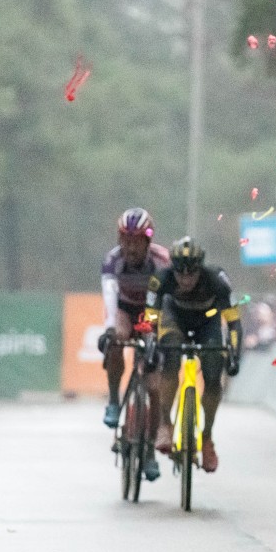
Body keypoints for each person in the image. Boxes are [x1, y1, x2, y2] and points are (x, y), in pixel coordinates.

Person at [144, 237, 242, 474]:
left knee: (212, 373)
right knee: (170, 359)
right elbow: (151, 317)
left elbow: (234, 322)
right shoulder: (161, 278)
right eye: (180, 274)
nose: (186, 279)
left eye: (191, 274)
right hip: (174, 318)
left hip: (207, 322)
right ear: (172, 270)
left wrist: (234, 354)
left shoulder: (217, 280)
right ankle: (165, 425)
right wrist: (150, 344)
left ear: (201, 269)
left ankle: (206, 438)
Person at [98, 207, 170, 482]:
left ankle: (149, 451)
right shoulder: (112, 261)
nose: (129, 247)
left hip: (153, 311)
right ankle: (115, 400)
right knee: (116, 338)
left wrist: (154, 336)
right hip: (126, 309)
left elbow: (166, 300)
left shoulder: (163, 261)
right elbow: (110, 297)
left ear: (147, 241)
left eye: (135, 241)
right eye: (124, 240)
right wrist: (109, 331)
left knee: (154, 388)